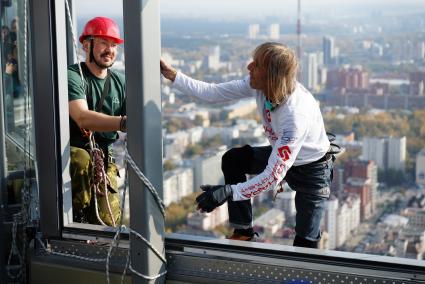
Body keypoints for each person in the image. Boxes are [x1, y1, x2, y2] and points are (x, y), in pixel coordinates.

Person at [161, 42, 337, 248]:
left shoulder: (296, 116)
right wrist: (172, 74)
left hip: (313, 171)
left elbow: (272, 176)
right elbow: (213, 93)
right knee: (233, 159)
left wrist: (229, 191)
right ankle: (243, 231)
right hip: (285, 156)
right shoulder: (261, 87)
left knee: (305, 243)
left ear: (273, 75)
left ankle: (301, 280)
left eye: (257, 65)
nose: (249, 67)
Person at [68, 17, 126, 226]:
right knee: (81, 160)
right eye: (103, 43)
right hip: (73, 152)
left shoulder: (119, 81)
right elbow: (82, 117)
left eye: (113, 45)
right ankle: (75, 218)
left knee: (108, 221)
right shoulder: (73, 76)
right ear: (86, 45)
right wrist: (123, 123)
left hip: (104, 156)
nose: (109, 50)